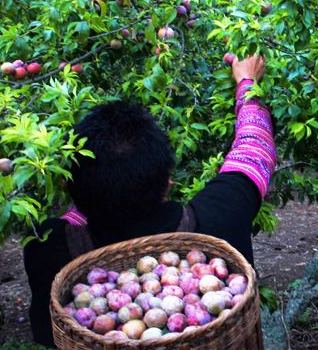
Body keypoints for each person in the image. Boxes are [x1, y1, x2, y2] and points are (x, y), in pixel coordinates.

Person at [23, 55, 276, 348]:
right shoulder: (219, 216)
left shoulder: (47, 245)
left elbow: (76, 215)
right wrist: (246, 83)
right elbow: (254, 149)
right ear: (168, 179)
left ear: (69, 186)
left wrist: (82, 185)